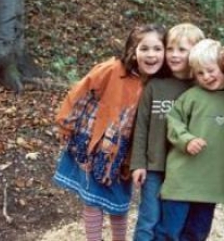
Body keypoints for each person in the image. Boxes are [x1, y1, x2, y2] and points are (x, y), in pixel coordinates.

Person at [52, 24, 167, 241]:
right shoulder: (114, 70)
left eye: (157, 49)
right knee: (92, 199)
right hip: (96, 145)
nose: (151, 55)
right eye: (144, 49)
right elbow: (81, 91)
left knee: (119, 203)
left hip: (126, 154)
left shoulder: (161, 83)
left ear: (165, 52)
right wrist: (66, 124)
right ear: (133, 50)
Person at [130, 23, 205, 241]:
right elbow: (141, 127)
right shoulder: (155, 86)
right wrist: (138, 163)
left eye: (182, 50)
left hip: (183, 169)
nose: (173, 55)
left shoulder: (200, 88)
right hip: (154, 166)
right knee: (148, 219)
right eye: (170, 49)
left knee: (173, 223)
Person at [158, 38, 224, 241]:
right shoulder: (191, 96)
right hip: (182, 180)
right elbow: (173, 120)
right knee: (168, 232)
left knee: (197, 234)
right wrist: (186, 140)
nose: (206, 77)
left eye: (211, 70)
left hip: (211, 182)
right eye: (200, 73)